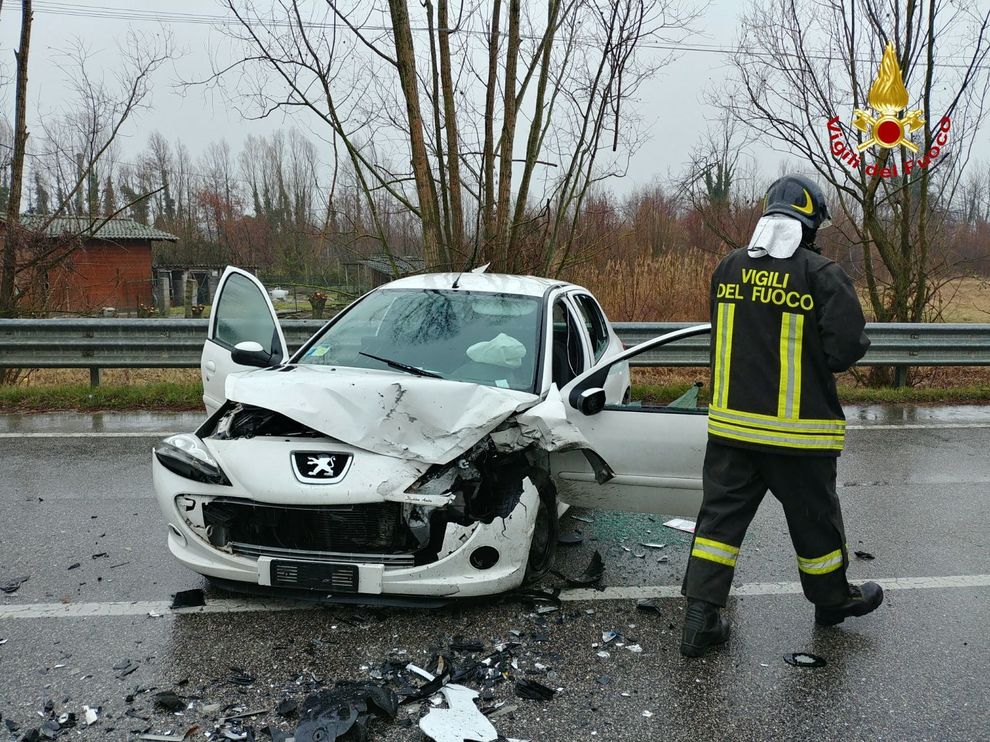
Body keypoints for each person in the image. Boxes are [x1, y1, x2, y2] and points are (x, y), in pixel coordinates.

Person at [680, 174, 883, 658]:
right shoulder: (822, 273)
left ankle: (698, 621)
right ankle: (832, 602)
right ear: (810, 224)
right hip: (798, 436)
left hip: (731, 432)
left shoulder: (728, 267)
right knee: (815, 524)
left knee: (717, 528)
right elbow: (846, 349)